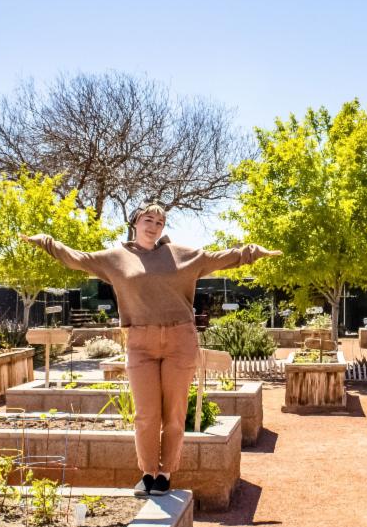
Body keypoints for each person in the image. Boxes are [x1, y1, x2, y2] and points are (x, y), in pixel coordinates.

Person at [20, 203, 279, 497]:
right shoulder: (115, 258)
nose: (154, 225)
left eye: (160, 221)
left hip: (180, 339)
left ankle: (165, 473)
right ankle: (147, 472)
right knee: (146, 414)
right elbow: (76, 259)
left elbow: (222, 258)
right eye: (148, 219)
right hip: (139, 342)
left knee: (175, 412)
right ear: (135, 222)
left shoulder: (182, 255)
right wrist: (45, 241)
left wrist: (254, 252)